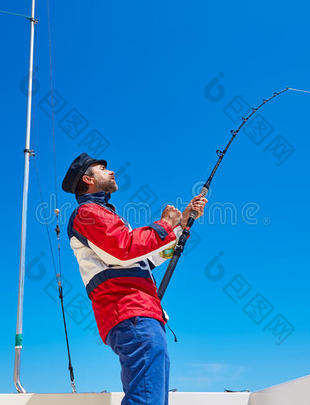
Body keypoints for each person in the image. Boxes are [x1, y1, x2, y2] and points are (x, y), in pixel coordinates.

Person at [62, 152, 207, 405]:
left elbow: (146, 259)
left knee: (153, 396)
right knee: (147, 399)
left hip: (140, 312)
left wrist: (182, 223)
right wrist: (163, 225)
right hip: (130, 311)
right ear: (88, 179)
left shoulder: (106, 216)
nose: (111, 171)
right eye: (102, 168)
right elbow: (123, 248)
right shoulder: (87, 213)